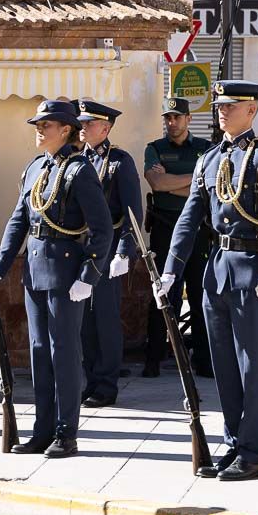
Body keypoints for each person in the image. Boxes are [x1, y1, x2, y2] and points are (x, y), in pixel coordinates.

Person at [155, 81, 258, 482]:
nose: (221, 110)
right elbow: (190, 217)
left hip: (252, 268)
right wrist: (170, 269)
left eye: (230, 105)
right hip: (216, 269)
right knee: (224, 367)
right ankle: (234, 442)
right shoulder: (209, 159)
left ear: (251, 110)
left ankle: (253, 452)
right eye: (219, 105)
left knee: (251, 366)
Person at [0, 100, 112, 458]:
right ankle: (42, 430)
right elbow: (18, 223)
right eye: (38, 124)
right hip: (36, 270)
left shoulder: (80, 170)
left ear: (67, 129)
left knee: (64, 354)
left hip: (67, 272)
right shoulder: (36, 168)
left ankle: (65, 432)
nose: (40, 130)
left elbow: (102, 230)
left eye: (47, 125)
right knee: (40, 353)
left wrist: (89, 275)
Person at [76, 100, 143, 408]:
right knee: (84, 321)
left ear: (105, 128)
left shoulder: (119, 162)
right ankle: (90, 379)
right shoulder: (75, 160)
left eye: (89, 124)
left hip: (108, 247)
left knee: (104, 318)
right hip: (80, 248)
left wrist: (125, 252)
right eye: (82, 123)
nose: (83, 128)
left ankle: (106, 384)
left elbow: (131, 212)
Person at [142, 97, 213, 378]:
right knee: (162, 293)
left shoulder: (204, 149)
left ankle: (203, 360)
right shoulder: (155, 148)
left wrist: (174, 182)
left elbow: (207, 190)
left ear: (188, 119)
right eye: (168, 118)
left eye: (177, 118)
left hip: (197, 228)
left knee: (198, 293)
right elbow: (157, 183)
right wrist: (192, 179)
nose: (172, 123)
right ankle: (153, 358)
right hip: (164, 227)